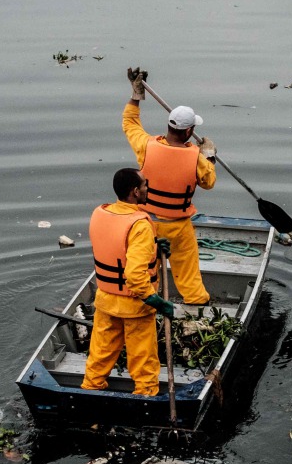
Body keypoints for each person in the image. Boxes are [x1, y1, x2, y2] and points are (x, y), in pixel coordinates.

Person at [123, 67, 217, 306]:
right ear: (189, 131)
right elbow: (208, 183)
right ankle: (196, 301)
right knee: (187, 268)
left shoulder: (146, 146)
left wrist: (136, 96)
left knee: (145, 265)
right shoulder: (196, 157)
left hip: (146, 223)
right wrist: (209, 156)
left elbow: (130, 123)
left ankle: (145, 300)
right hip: (177, 227)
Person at [81, 168, 175, 397]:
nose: (147, 188)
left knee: (99, 356)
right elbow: (134, 275)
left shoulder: (100, 213)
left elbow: (117, 247)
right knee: (143, 362)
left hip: (106, 300)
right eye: (145, 185)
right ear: (135, 191)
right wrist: (155, 301)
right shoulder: (140, 225)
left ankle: (89, 394)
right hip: (135, 306)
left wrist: (154, 246)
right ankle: (144, 398)